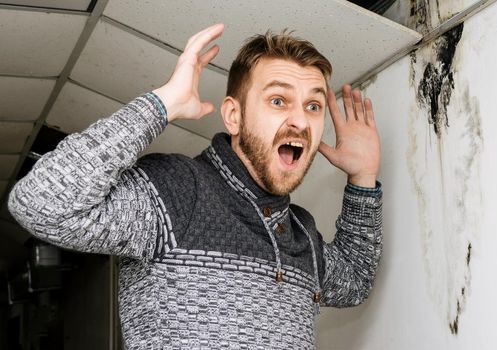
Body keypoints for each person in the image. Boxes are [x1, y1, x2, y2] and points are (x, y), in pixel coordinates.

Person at [9, 23, 382, 349]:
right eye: (279, 100)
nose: (300, 120)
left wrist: (363, 177)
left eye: (313, 107)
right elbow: (40, 204)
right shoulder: (177, 193)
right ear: (234, 116)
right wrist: (161, 105)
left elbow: (355, 279)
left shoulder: (301, 231)